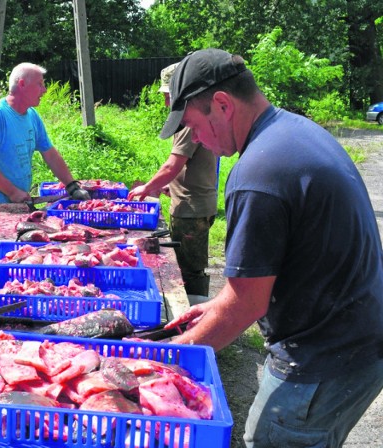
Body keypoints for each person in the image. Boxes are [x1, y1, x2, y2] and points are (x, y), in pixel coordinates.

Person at [161, 48, 383, 447]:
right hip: (360, 335)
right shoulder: (294, 130)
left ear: (223, 105)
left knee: (268, 437)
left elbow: (247, 304)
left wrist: (166, 360)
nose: (194, 138)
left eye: (193, 124)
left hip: (326, 352)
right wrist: (214, 306)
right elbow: (279, 265)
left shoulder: (258, 174)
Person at [128, 63, 218, 300]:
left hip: (192, 208)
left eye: (170, 95)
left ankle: (195, 317)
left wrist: (147, 188)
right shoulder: (188, 118)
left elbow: (173, 164)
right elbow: (190, 164)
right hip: (189, 201)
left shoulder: (190, 121)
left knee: (190, 269)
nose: (167, 103)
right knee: (185, 264)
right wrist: (172, 186)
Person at [0, 62, 90, 203]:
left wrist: (72, 187)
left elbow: (50, 154)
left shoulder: (32, 115)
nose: (44, 90)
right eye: (40, 84)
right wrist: (12, 192)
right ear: (22, 84)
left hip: (17, 206)